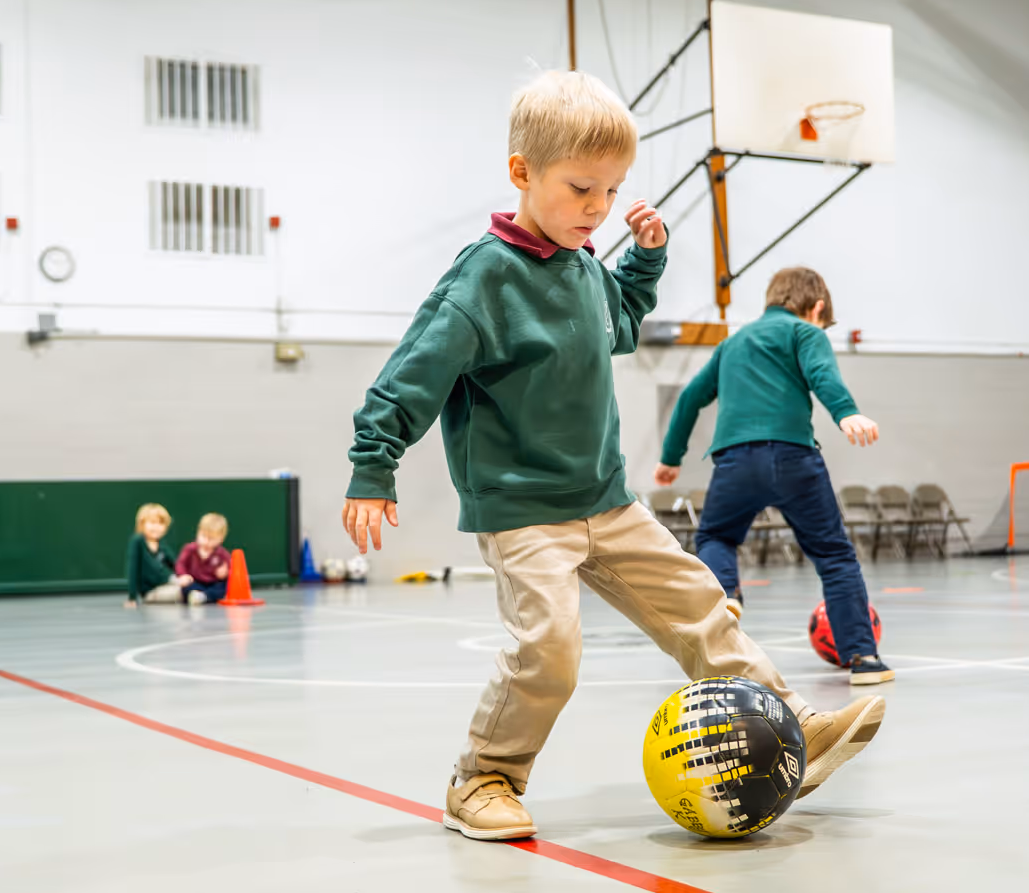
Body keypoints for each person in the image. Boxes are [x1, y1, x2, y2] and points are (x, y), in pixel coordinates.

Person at [341, 70, 885, 843]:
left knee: (700, 604)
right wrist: (374, 462)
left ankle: (786, 720)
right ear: (522, 173)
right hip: (525, 510)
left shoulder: (584, 264)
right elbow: (412, 373)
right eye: (580, 187)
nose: (598, 208)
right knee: (550, 648)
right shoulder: (484, 277)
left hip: (607, 499)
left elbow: (619, 323)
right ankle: (483, 777)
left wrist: (644, 262)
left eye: (612, 190)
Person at [654, 266, 894, 685]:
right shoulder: (806, 333)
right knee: (834, 556)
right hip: (793, 458)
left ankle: (726, 595)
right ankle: (863, 658)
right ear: (816, 308)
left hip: (734, 462)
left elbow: (691, 397)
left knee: (717, 537)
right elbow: (822, 375)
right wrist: (846, 412)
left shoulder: (731, 344)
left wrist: (671, 457)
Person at [124, 503, 185, 607]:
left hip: (169, 584)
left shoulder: (161, 544)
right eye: (152, 523)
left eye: (160, 524)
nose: (156, 527)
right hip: (151, 592)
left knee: (190, 586)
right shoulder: (137, 541)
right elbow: (132, 570)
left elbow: (175, 564)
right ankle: (198, 595)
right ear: (142, 524)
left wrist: (183, 576)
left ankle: (201, 593)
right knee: (182, 591)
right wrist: (132, 597)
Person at [177, 513, 233, 605]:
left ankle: (203, 597)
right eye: (203, 536)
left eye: (211, 539)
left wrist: (225, 572)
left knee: (223, 587)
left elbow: (231, 568)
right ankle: (198, 596)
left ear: (221, 539)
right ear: (198, 532)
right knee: (186, 587)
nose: (206, 541)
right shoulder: (190, 549)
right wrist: (183, 575)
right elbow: (181, 563)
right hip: (195, 582)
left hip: (213, 584)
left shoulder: (222, 553)